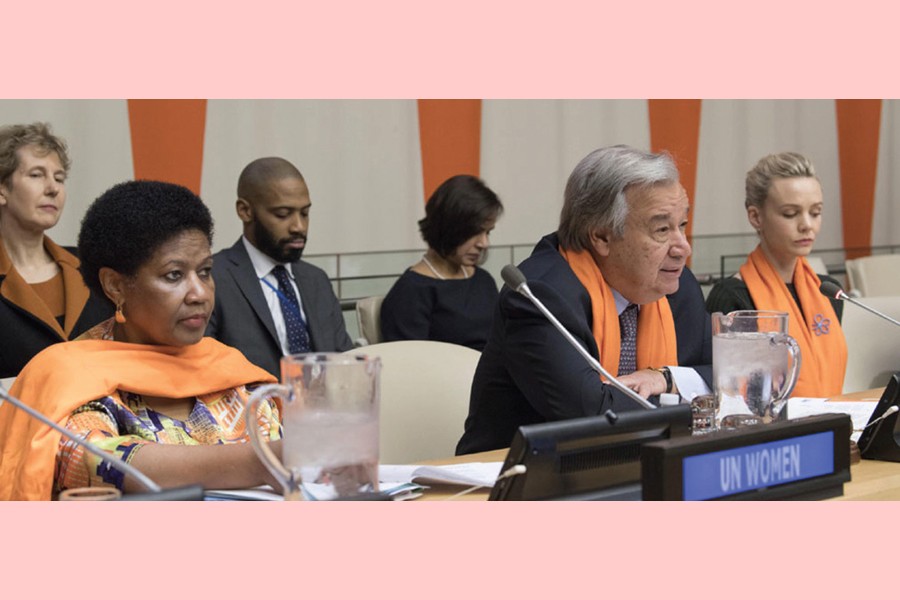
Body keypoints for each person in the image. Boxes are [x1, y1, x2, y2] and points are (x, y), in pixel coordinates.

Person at [0, 180, 281, 501]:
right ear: (115, 286)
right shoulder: (70, 374)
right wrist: (265, 461)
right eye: (174, 275)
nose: (200, 294)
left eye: (204, 271)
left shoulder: (231, 371)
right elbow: (95, 458)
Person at [456, 145, 712, 455]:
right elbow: (594, 418)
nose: (682, 247)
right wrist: (689, 397)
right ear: (602, 237)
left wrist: (666, 379)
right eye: (661, 229)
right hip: (520, 485)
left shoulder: (677, 286)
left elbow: (730, 379)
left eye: (681, 225)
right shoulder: (539, 296)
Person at [705, 152, 847, 397]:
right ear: (755, 216)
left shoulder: (827, 291)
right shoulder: (732, 297)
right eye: (790, 214)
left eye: (815, 212)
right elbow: (724, 393)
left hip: (832, 425)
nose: (807, 225)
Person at [206, 157, 353, 378]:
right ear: (245, 211)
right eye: (283, 214)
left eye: (305, 213)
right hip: (254, 409)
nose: (299, 226)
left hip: (324, 409)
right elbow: (206, 373)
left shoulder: (317, 280)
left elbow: (345, 363)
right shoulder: (213, 279)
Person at [0, 122, 113, 378]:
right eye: (37, 175)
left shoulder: (93, 266)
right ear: (2, 189)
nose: (53, 188)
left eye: (59, 178)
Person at [380, 174, 503, 350]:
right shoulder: (411, 292)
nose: (483, 243)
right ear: (448, 227)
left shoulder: (483, 280)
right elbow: (409, 365)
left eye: (488, 233)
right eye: (475, 232)